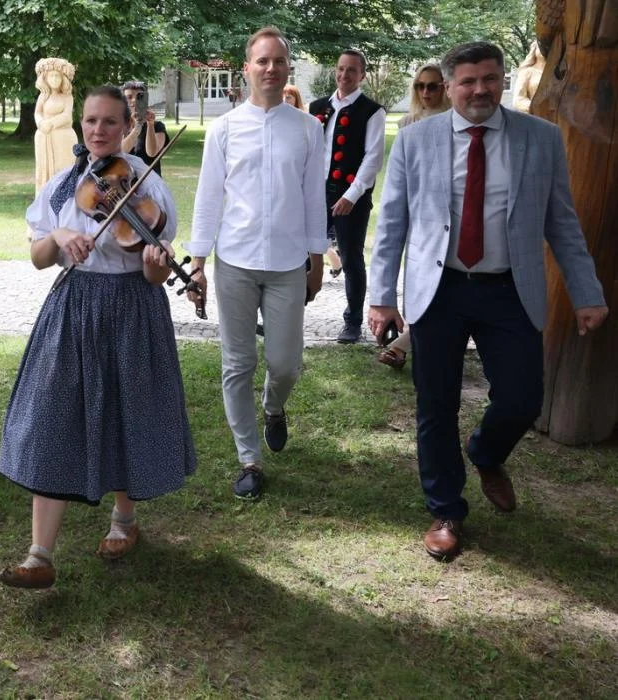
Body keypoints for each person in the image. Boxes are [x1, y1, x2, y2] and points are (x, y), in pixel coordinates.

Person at [368, 41, 608, 560]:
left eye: (490, 79)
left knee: (523, 399)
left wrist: (587, 292)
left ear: (503, 80)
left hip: (510, 289)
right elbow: (392, 223)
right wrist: (382, 296)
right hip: (440, 290)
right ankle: (446, 509)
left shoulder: (540, 138)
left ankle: (485, 451)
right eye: (468, 81)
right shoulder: (415, 140)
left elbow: (562, 222)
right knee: (436, 405)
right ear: (449, 86)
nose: (480, 90)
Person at [0, 85, 196, 589]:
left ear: (127, 126)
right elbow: (38, 257)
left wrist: (156, 262)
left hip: (131, 308)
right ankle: (39, 555)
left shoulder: (147, 185)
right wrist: (60, 236)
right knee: (52, 413)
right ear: (80, 125)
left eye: (109, 122)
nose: (98, 130)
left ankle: (124, 520)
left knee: (128, 410)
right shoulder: (64, 185)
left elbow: (154, 275)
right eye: (90, 121)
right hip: (73, 307)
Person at [187, 26, 327, 500]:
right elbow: (208, 197)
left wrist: (316, 258)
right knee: (237, 363)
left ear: (288, 67)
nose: (270, 68)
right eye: (262, 61)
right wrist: (198, 261)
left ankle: (274, 405)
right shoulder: (225, 129)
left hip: (288, 263)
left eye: (278, 61)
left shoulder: (307, 128)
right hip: (236, 261)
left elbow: (313, 198)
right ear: (246, 68)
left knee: (285, 364)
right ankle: (249, 458)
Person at [309, 49, 386, 344]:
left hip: (351, 197)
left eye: (352, 70)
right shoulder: (318, 107)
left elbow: (373, 158)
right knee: (302, 250)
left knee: (351, 257)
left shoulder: (372, 111)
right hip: (316, 191)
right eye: (341, 68)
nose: (345, 75)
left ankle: (352, 322)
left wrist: (352, 195)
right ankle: (288, 311)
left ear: (362, 75)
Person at [378, 64, 452, 369]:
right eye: (420, 86)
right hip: (415, 211)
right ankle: (411, 342)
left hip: (444, 212)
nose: (426, 92)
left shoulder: (454, 120)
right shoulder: (408, 122)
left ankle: (402, 345)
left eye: (432, 86)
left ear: (445, 87)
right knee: (420, 281)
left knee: (443, 286)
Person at [34, 57, 78, 193]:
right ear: (45, 78)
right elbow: (37, 113)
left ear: (63, 79)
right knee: (44, 171)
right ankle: (44, 197)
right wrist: (41, 123)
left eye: (57, 76)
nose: (54, 79)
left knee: (63, 169)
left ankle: (63, 197)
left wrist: (51, 123)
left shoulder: (67, 97)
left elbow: (67, 116)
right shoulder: (43, 96)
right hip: (44, 136)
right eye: (51, 76)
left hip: (63, 137)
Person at [121, 80, 169, 174]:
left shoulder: (157, 126)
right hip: (125, 180)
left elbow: (152, 153)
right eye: (129, 97)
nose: (134, 100)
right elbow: (122, 151)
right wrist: (137, 128)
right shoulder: (120, 126)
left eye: (139, 97)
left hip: (149, 180)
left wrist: (150, 125)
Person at [512, 41, 545, 113]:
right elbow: (518, 100)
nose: (544, 49)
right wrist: (538, 108)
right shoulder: (527, 72)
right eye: (540, 47)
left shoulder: (558, 73)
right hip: (535, 116)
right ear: (534, 50)